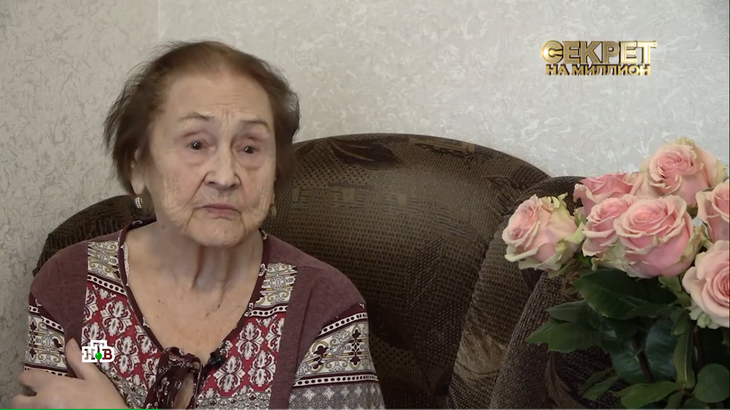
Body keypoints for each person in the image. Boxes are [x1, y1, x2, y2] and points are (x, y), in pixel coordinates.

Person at [11, 40, 384, 409]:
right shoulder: (70, 284)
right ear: (138, 167)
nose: (225, 176)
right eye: (196, 145)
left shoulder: (322, 309)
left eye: (249, 148)